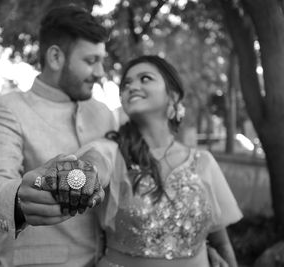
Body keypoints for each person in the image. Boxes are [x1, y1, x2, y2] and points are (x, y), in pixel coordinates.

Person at [41, 55, 243, 267]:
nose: (132, 87)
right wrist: (80, 176)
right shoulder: (113, 151)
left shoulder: (204, 162)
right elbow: (95, 162)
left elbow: (221, 242)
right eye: (126, 83)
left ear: (173, 96)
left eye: (145, 78)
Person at [0, 5, 115, 267]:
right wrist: (18, 199)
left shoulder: (104, 113)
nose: (100, 72)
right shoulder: (7, 109)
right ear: (55, 58)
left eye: (101, 60)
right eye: (90, 60)